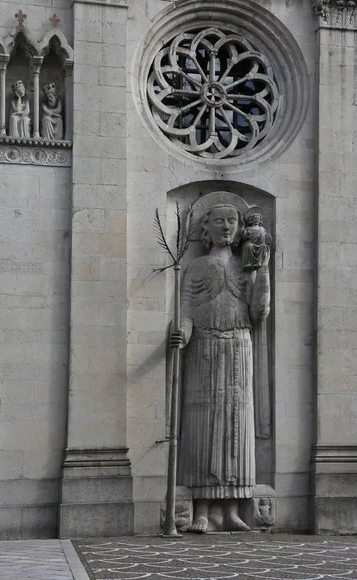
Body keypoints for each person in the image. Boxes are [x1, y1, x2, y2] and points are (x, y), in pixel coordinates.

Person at [170, 196, 270, 533]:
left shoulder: (246, 266)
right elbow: (185, 307)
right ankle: (202, 509)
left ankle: (230, 510)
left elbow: (258, 312)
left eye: (232, 221)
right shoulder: (197, 267)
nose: (226, 226)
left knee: (235, 427)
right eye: (219, 221)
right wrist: (181, 333)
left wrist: (263, 268)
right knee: (203, 426)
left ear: (241, 229)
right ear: (206, 230)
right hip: (204, 348)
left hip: (239, 348)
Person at [241, 206, 271, 272]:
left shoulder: (262, 229)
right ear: (251, 220)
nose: (257, 220)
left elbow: (265, 239)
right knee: (249, 246)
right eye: (255, 219)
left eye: (258, 219)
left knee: (263, 246)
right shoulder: (248, 228)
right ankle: (248, 262)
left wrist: (268, 238)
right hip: (250, 244)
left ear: (260, 220)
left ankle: (258, 262)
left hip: (260, 245)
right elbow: (243, 238)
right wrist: (247, 234)